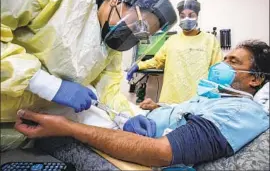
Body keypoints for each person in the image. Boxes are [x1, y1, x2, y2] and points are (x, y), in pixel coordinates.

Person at [15, 40, 269, 169]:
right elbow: (188, 116)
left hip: (141, 150)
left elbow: (161, 152)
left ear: (256, 79)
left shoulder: (243, 111)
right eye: (224, 58)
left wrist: (70, 129)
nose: (221, 65)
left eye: (233, 62)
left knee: (54, 132)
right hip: (134, 126)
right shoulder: (217, 98)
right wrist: (158, 108)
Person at [0, 0, 177, 151]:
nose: (133, 35)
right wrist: (43, 83)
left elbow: (107, 89)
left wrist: (124, 117)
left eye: (143, 33)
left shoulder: (111, 45)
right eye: (137, 24)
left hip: (27, 121)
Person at [127, 0, 223, 104]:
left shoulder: (210, 40)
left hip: (198, 100)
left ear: (197, 16)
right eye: (182, 16)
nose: (186, 19)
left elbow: (217, 70)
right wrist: (138, 66)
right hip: (171, 100)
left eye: (191, 15)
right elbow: (157, 61)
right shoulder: (172, 40)